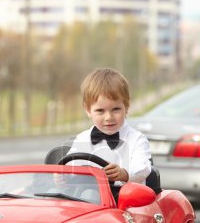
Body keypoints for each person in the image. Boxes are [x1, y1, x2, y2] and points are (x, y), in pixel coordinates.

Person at [65, 68, 152, 197]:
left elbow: (143, 168)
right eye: (100, 111)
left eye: (116, 109)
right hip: (91, 199)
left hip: (127, 200)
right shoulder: (82, 138)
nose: (109, 117)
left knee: (90, 196)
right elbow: (71, 166)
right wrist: (63, 176)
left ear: (126, 107)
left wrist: (124, 173)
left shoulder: (137, 139)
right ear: (88, 110)